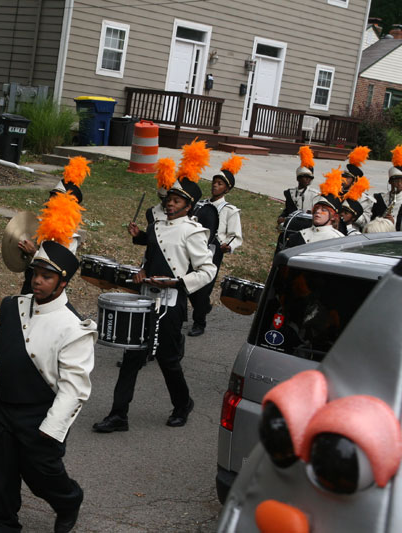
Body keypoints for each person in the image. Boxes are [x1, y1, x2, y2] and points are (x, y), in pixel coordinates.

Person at [0, 189, 94, 533]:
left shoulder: (74, 328)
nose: (37, 282)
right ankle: (3, 522)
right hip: (5, 406)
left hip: (40, 411)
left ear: (62, 281)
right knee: (1, 471)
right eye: (34, 274)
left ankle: (68, 499)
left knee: (40, 475)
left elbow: (74, 389)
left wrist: (52, 430)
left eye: (46, 277)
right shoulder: (11, 306)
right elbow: (0, 343)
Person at [93, 176, 216, 433]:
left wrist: (176, 282)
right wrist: (141, 271)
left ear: (188, 206)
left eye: (176, 200)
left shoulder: (192, 231)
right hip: (144, 300)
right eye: (169, 199)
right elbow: (150, 258)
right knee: (131, 358)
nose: (170, 204)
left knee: (167, 359)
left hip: (170, 303)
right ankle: (118, 415)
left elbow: (207, 270)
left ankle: (183, 404)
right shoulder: (157, 226)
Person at [188, 155, 244, 337]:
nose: (215, 186)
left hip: (214, 252)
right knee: (188, 283)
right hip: (194, 248)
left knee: (204, 287)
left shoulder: (230, 210)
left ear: (227, 188)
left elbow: (236, 236)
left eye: (220, 183)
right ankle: (204, 307)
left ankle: (199, 323)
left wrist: (228, 245)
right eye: (214, 182)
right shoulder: (201, 204)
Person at [18, 156, 89, 294]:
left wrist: (34, 252)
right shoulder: (43, 225)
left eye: (57, 201)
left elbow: (59, 267)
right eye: (51, 200)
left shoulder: (70, 238)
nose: (51, 204)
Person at [285, 167, 345, 248]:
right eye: (316, 208)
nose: (318, 211)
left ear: (333, 217)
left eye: (324, 210)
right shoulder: (298, 236)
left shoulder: (338, 240)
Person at [277, 146, 317, 226]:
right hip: (291, 225)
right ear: (298, 178)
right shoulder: (290, 193)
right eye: (305, 177)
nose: (307, 180)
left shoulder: (314, 194)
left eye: (310, 178)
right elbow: (288, 210)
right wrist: (282, 217)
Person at [367, 144, 402, 232]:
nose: (399, 184)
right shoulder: (379, 199)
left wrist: (393, 223)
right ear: (390, 182)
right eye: (396, 181)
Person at [338, 146, 374, 230]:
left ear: (354, 181)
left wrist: (353, 214)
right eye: (342, 176)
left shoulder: (364, 199)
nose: (342, 179)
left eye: (347, 177)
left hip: (351, 232)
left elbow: (366, 222)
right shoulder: (334, 192)